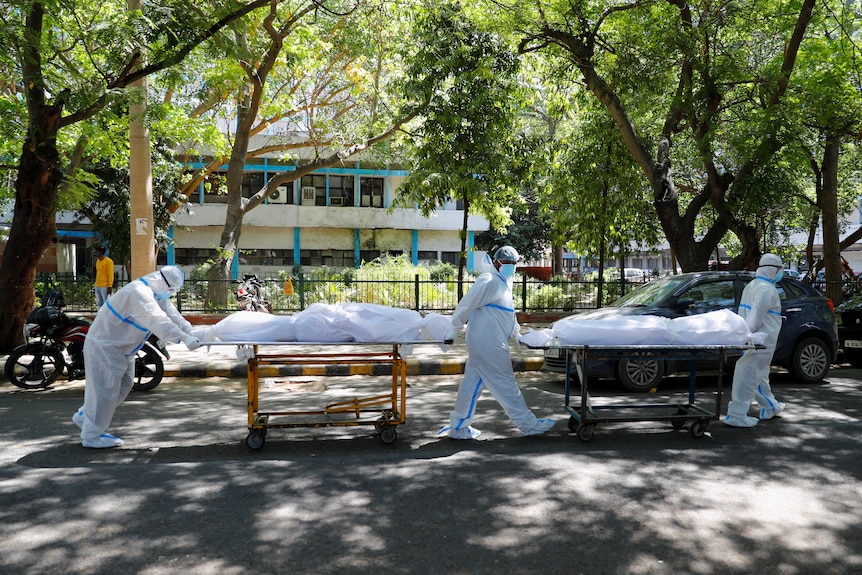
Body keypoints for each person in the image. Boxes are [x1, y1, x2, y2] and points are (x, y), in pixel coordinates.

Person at [73, 265, 202, 448]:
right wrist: (184, 338)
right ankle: (91, 436)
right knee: (106, 392)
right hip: (106, 348)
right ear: (163, 283)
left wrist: (190, 330)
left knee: (124, 386)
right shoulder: (139, 293)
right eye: (171, 290)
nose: (171, 295)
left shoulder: (155, 292)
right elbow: (158, 320)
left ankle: (86, 415)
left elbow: (170, 313)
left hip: (123, 349)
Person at [439, 246, 556, 439]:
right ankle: (528, 424)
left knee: (471, 385)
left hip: (487, 343)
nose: (511, 267)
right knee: (506, 383)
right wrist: (454, 328)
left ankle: (459, 425)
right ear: (496, 262)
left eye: (513, 264)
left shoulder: (504, 282)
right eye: (507, 263)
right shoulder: (489, 280)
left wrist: (518, 335)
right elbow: (467, 304)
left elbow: (507, 314)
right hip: (489, 344)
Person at [723, 253, 787, 427]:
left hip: (754, 338)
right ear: (773, 270)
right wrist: (746, 335)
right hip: (761, 340)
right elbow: (755, 317)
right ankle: (737, 414)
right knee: (750, 375)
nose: (781, 272)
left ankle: (770, 406)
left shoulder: (753, 285)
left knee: (759, 375)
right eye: (779, 268)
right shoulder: (767, 289)